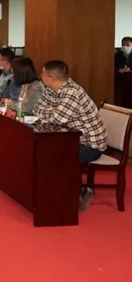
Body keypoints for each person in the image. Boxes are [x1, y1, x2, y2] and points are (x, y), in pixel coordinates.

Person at [33, 60, 107, 212]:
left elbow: (58, 119)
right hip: (68, 139)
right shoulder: (50, 89)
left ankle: (79, 194)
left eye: (42, 74)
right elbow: (36, 108)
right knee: (41, 153)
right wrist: (51, 112)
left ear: (51, 78)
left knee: (58, 158)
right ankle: (50, 194)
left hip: (89, 143)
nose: (40, 76)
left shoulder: (72, 92)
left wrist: (50, 112)